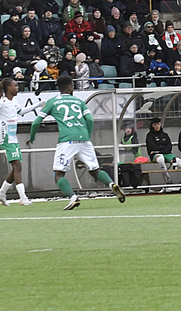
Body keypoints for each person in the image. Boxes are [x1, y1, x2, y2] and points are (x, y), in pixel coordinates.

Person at [25, 75, 127, 211]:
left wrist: (31, 137)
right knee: (95, 170)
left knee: (59, 174)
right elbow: (90, 120)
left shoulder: (52, 101)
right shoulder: (79, 102)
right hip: (84, 138)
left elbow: (36, 122)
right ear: (70, 87)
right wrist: (87, 135)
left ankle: (73, 198)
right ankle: (111, 184)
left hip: (67, 140)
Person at [0, 76, 33, 205]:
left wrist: (38, 105)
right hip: (5, 138)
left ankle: (1, 193)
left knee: (16, 167)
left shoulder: (14, 102)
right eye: (14, 85)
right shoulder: (1, 102)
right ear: (8, 88)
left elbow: (21, 112)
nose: (17, 87)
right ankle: (23, 197)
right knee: (18, 166)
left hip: (12, 137)